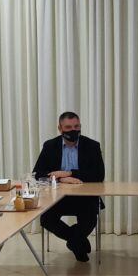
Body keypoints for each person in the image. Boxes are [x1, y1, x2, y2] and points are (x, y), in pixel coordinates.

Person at [33, 112, 105, 262]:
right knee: (46, 219)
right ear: (60, 128)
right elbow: (38, 173)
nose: (73, 130)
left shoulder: (92, 145)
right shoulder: (50, 146)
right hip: (58, 197)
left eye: (76, 126)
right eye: (68, 127)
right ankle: (78, 242)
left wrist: (69, 173)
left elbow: (98, 175)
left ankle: (74, 242)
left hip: (86, 197)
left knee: (90, 220)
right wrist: (62, 179)